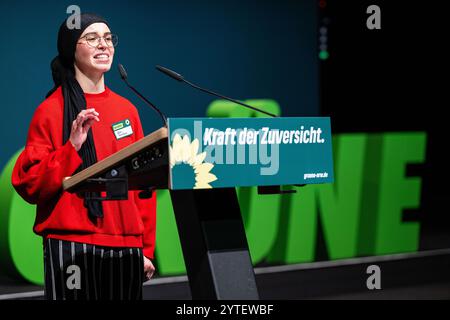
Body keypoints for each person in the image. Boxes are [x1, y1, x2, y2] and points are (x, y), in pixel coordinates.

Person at [11, 13, 156, 300]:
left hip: (126, 247)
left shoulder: (127, 110)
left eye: (108, 38)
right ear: (70, 49)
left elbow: (144, 188)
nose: (104, 45)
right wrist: (71, 148)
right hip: (71, 247)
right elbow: (30, 184)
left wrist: (146, 249)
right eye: (92, 38)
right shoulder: (51, 110)